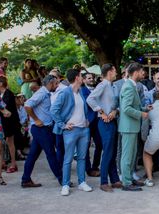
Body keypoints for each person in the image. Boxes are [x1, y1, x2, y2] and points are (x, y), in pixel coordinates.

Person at [51, 68, 92, 196]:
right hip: (71, 130)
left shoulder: (80, 92)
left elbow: (83, 109)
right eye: (81, 76)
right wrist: (62, 125)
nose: (83, 78)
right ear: (76, 78)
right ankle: (65, 184)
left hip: (83, 130)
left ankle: (82, 182)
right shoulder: (65, 93)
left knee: (82, 157)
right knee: (68, 159)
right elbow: (54, 110)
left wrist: (86, 120)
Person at [21, 74, 62, 188]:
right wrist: (36, 119)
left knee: (33, 155)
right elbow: (27, 105)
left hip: (43, 129)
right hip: (41, 129)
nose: (57, 85)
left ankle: (25, 179)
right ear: (50, 83)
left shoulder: (46, 93)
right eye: (55, 83)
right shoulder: (42, 93)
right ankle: (62, 179)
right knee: (51, 154)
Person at [86, 63, 121, 192]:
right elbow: (90, 99)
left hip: (113, 120)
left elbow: (117, 103)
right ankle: (104, 182)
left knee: (112, 151)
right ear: (110, 71)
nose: (117, 72)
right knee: (107, 151)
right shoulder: (103, 85)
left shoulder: (114, 86)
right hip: (104, 122)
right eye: (115, 70)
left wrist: (115, 111)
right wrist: (100, 111)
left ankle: (115, 179)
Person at [119, 62, 149, 192]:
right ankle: (126, 182)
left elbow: (133, 106)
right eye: (141, 71)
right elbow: (126, 109)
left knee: (132, 155)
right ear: (135, 72)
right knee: (127, 156)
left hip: (132, 126)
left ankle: (130, 178)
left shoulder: (132, 85)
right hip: (128, 126)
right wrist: (141, 114)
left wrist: (144, 108)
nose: (142, 74)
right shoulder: (129, 87)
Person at [0, 76, 21, 173]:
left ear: (1, 84)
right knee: (1, 142)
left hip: (10, 122)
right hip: (2, 121)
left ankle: (13, 163)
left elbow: (4, 107)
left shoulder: (9, 94)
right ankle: (2, 162)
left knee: (10, 142)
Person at [80, 71, 101, 178]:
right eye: (88, 78)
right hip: (88, 121)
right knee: (86, 146)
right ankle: (88, 169)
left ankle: (95, 166)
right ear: (83, 80)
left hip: (98, 121)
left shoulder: (98, 88)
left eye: (92, 78)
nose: (91, 79)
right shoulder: (82, 90)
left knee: (99, 144)